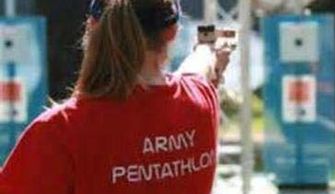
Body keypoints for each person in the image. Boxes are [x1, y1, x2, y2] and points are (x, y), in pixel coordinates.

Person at [0, 0, 232, 193]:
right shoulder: (200, 100)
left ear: (93, 26)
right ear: (172, 32)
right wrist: (207, 45)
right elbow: (200, 64)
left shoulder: (60, 131)